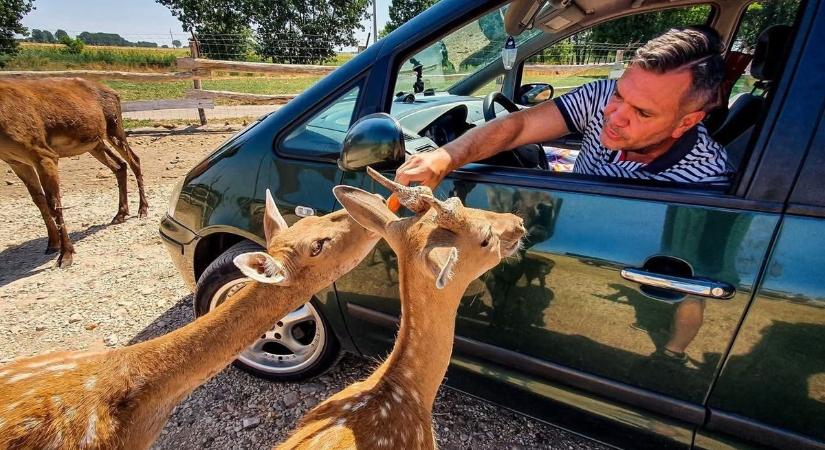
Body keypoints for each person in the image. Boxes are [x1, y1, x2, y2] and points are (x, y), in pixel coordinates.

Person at [395, 26, 733, 189]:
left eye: (642, 113)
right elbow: (521, 126)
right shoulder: (601, 96)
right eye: (620, 95)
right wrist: (445, 157)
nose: (612, 116)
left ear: (686, 123)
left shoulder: (704, 180)